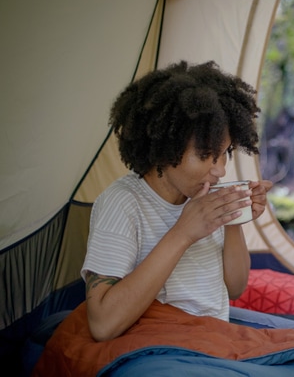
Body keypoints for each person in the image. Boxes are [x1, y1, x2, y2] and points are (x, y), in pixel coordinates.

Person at [81, 61, 275, 342]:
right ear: (165, 148)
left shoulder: (205, 195)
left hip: (213, 334)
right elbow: (102, 324)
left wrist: (234, 217)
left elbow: (235, 288)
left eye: (224, 153)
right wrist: (184, 232)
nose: (220, 169)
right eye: (206, 155)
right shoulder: (121, 204)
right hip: (162, 343)